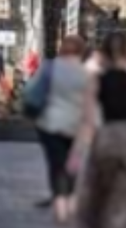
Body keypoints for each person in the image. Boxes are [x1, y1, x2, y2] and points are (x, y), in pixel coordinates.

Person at [71, 33, 126, 228]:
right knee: (123, 198)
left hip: (105, 139)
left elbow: (88, 120)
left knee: (95, 197)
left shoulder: (95, 79)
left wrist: (76, 154)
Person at [34, 35, 88, 225]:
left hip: (51, 124)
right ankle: (70, 202)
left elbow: (34, 92)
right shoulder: (87, 73)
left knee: (56, 165)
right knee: (72, 165)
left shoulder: (49, 68)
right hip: (77, 127)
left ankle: (60, 206)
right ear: (82, 51)